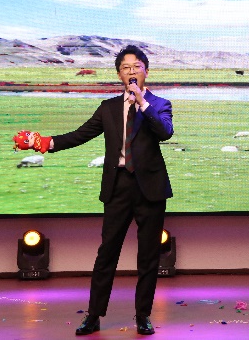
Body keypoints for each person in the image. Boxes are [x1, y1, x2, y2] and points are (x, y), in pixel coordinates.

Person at [13, 45, 173, 336]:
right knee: (106, 254)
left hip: (150, 189)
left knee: (149, 257)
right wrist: (44, 143)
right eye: (125, 68)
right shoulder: (108, 108)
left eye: (136, 67)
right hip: (118, 187)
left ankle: (143, 316)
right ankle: (94, 316)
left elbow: (165, 132)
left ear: (146, 71)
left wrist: (141, 102)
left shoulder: (160, 104)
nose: (131, 72)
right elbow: (80, 135)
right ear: (119, 74)